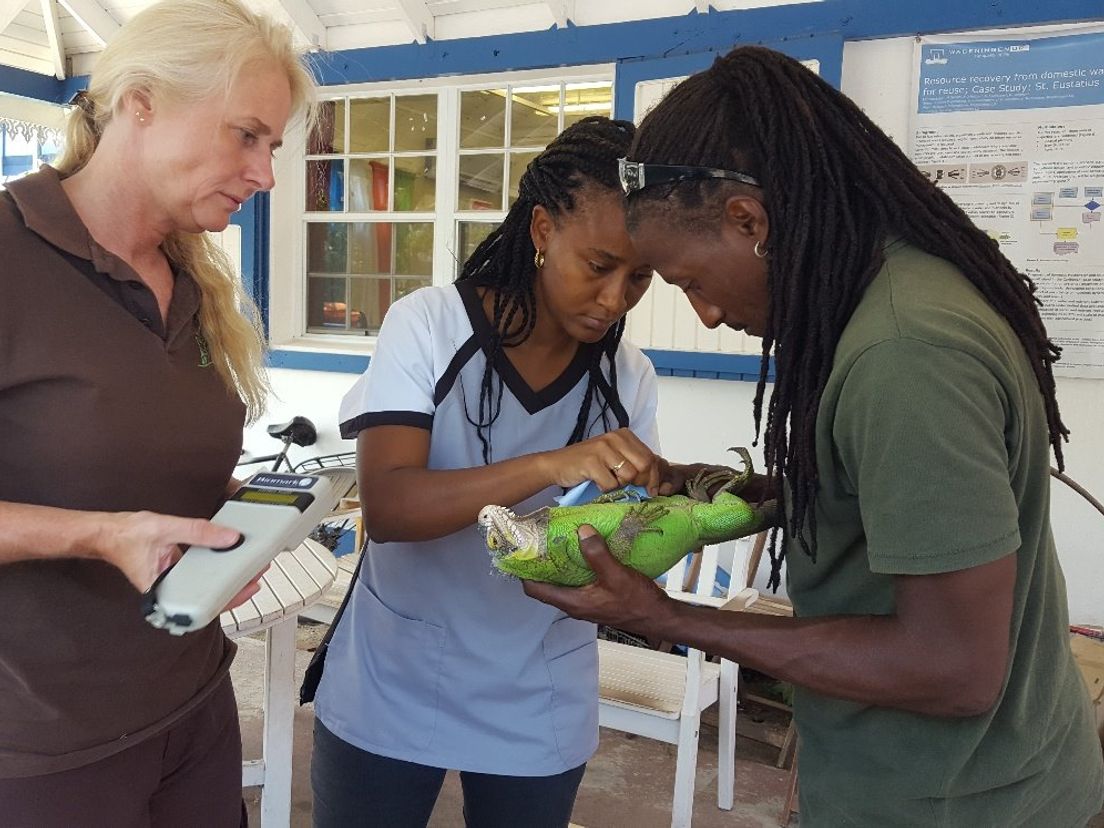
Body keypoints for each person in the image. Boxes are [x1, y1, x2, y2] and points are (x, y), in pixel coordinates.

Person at [523, 46, 1104, 827]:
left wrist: (668, 618)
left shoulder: (906, 356)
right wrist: (763, 496)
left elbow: (956, 669)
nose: (705, 315)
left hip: (959, 807)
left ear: (749, 220)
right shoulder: (893, 287)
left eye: (691, 280)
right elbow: (891, 502)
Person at [311, 116, 676, 828]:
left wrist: (664, 521)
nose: (614, 299)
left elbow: (635, 538)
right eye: (599, 266)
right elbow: (388, 509)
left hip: (538, 689)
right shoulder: (429, 326)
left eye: (640, 278)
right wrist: (548, 464)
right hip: (396, 676)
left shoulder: (626, 380)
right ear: (542, 229)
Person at [0, 0, 315, 823]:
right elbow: (109, 511)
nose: (266, 174)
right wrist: (100, 536)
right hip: (40, 748)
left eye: (272, 145)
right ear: (141, 102)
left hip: (194, 702)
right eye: (245, 135)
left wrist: (241, 527)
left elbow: (155, 465)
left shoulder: (197, 284)